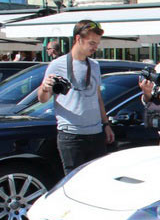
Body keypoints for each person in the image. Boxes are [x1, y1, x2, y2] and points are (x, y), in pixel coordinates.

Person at [37, 20, 113, 173]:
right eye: (92, 43)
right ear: (78, 39)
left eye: (97, 43)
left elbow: (97, 97)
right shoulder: (57, 65)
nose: (95, 47)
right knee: (73, 181)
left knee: (97, 178)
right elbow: (42, 99)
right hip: (71, 135)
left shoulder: (94, 65)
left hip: (96, 133)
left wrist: (106, 125)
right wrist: (45, 88)